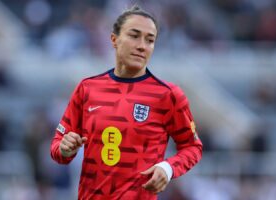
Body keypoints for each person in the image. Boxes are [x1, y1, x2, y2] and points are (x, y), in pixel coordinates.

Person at [50, 5, 203, 200]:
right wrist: (64, 148)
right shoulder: (87, 88)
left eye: (150, 40)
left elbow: (192, 147)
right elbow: (57, 148)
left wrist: (168, 168)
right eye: (134, 35)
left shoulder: (168, 95)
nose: (142, 46)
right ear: (114, 39)